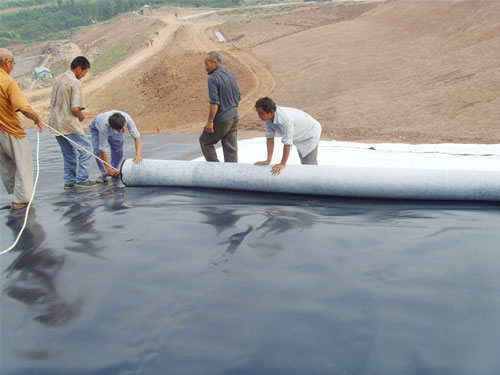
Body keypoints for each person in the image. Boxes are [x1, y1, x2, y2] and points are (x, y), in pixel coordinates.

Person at [0, 48, 43, 211]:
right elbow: (23, 107)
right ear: (7, 63)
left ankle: (15, 193)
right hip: (10, 130)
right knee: (23, 163)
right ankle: (21, 200)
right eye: (13, 64)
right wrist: (37, 118)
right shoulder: (8, 82)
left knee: (7, 165)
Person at [49, 56, 95, 189]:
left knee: (68, 153)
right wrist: (81, 116)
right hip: (68, 123)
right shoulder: (74, 82)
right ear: (78, 69)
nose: (83, 76)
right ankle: (82, 179)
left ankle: (69, 182)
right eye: (84, 72)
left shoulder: (58, 78)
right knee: (86, 150)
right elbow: (75, 108)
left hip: (56, 123)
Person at [254, 97, 322, 175]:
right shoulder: (267, 118)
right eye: (258, 113)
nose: (259, 116)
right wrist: (268, 160)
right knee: (305, 164)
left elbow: (287, 143)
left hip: (309, 133)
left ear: (271, 112)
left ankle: (316, 182)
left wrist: (282, 164)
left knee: (309, 166)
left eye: (261, 113)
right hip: (298, 132)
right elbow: (270, 138)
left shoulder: (285, 120)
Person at [199, 51, 241, 163]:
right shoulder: (231, 74)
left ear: (215, 63)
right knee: (230, 148)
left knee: (205, 141)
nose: (205, 67)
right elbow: (238, 97)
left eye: (207, 64)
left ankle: (215, 170)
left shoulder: (213, 78)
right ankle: (231, 174)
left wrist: (210, 122)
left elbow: (214, 103)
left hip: (223, 119)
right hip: (235, 116)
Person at [89, 110, 142, 182]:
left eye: (124, 126)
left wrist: (138, 154)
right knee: (97, 151)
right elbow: (102, 149)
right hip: (97, 127)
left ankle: (114, 170)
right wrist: (108, 168)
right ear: (113, 128)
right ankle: (105, 173)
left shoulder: (126, 118)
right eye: (121, 129)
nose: (125, 129)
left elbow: (136, 136)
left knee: (118, 150)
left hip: (115, 126)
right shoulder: (104, 127)